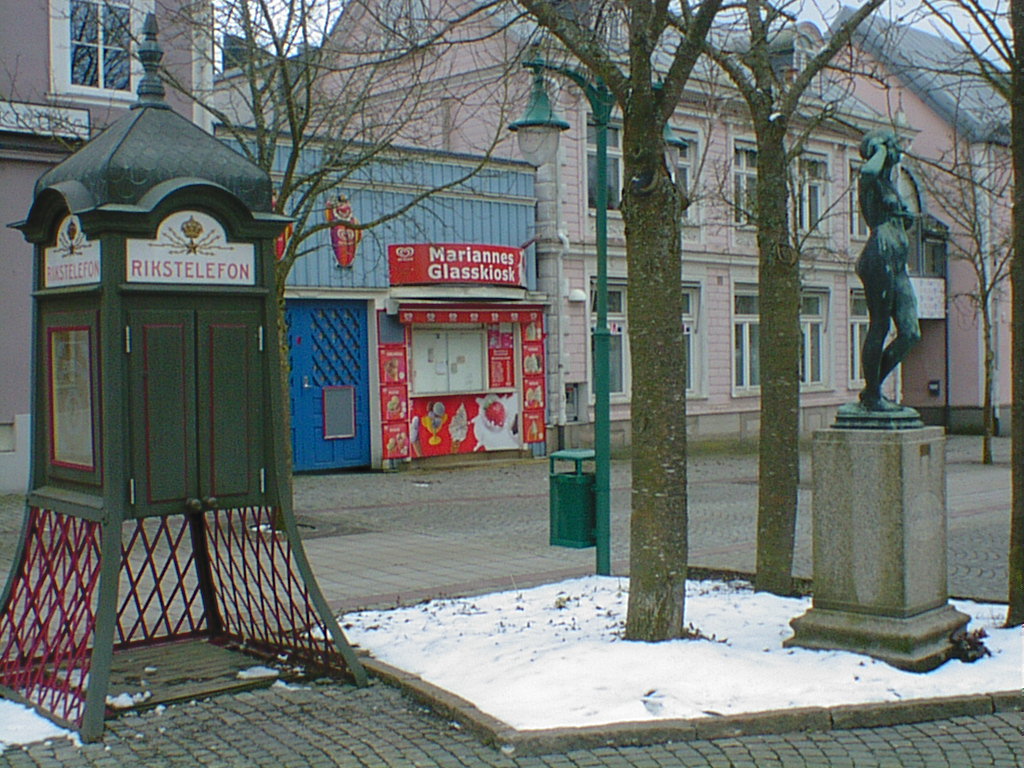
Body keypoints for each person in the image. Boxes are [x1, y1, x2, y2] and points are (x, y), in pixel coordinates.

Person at [855, 129, 921, 412]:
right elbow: (868, 171)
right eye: (892, 146)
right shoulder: (869, 180)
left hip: (897, 261)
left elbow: (902, 222)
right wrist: (878, 147)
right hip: (879, 256)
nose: (897, 151)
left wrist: (905, 218)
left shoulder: (889, 184)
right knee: (880, 325)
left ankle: (872, 389)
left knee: (911, 333)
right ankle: (873, 396)